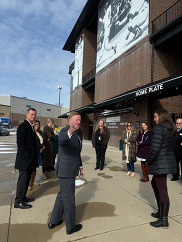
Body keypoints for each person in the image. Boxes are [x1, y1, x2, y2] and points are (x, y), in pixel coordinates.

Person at [48, 112, 84, 235]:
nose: (78, 122)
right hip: (65, 170)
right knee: (69, 199)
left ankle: (54, 220)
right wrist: (71, 131)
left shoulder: (79, 133)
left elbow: (76, 152)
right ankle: (71, 227)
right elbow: (62, 141)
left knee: (62, 195)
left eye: (79, 120)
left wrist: (80, 166)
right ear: (69, 121)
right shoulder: (65, 131)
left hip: (72, 168)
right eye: (75, 120)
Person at [146, 109, 177, 228]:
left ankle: (164, 220)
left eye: (155, 117)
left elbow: (155, 149)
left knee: (162, 189)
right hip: (165, 162)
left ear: (161, 117)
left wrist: (147, 161)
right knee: (155, 183)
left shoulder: (159, 129)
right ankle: (160, 212)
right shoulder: (171, 129)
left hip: (160, 162)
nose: (154, 119)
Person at [14, 108, 38, 209]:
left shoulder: (30, 126)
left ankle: (23, 197)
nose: (34, 116)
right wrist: (28, 154)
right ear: (27, 114)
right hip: (24, 159)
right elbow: (21, 144)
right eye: (32, 114)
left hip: (29, 160)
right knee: (22, 180)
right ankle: (18, 201)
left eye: (35, 115)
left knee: (27, 179)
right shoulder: (23, 126)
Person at [28, 120, 45, 191]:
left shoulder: (39, 132)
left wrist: (43, 145)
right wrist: (41, 146)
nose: (37, 126)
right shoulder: (32, 132)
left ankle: (32, 181)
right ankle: (28, 184)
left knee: (35, 168)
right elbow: (34, 142)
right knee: (31, 168)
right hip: (33, 152)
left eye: (38, 124)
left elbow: (42, 140)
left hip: (39, 152)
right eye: (36, 124)